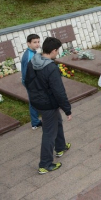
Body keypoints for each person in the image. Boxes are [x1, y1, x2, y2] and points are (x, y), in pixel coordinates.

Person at [25, 37, 72, 174]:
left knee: (57, 122)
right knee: (49, 133)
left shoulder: (32, 61)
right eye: (57, 51)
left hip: (36, 102)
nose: (57, 53)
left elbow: (27, 81)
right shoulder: (51, 68)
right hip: (48, 105)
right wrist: (67, 110)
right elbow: (59, 92)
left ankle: (60, 146)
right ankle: (45, 164)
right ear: (53, 50)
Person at [21, 34, 42, 130]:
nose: (37, 44)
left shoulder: (33, 53)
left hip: (34, 81)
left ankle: (36, 121)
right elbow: (26, 72)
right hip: (31, 82)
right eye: (34, 42)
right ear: (28, 43)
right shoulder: (29, 56)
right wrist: (30, 84)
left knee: (35, 100)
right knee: (33, 102)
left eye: (38, 42)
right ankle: (35, 122)